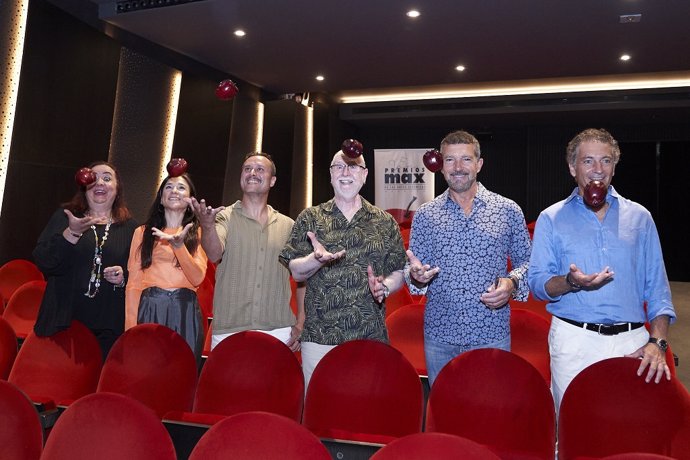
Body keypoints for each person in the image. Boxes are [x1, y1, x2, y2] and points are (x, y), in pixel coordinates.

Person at [528, 128, 676, 410]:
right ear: (573, 168)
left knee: (627, 427)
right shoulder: (551, 218)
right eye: (588, 161)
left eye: (606, 161)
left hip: (631, 341)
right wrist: (572, 282)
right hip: (574, 340)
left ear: (614, 167)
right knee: (573, 425)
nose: (598, 170)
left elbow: (658, 289)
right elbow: (538, 285)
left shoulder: (640, 217)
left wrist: (657, 343)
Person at [405, 130, 531, 387]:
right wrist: (416, 277)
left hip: (491, 333)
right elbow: (414, 273)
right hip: (440, 336)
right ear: (440, 166)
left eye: (466, 159)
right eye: (450, 160)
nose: (458, 167)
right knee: (443, 412)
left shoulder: (507, 210)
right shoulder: (426, 216)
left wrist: (512, 283)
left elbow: (528, 264)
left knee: (490, 412)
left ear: (479, 164)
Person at [279, 149, 407, 388]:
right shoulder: (310, 218)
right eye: (339, 166)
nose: (346, 172)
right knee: (319, 414)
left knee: (365, 413)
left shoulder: (384, 221)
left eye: (354, 166)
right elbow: (295, 270)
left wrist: (385, 287)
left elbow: (399, 271)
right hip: (319, 338)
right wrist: (314, 260)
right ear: (330, 174)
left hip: (369, 336)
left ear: (365, 174)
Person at [188, 152, 303, 353]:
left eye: (260, 169)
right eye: (247, 169)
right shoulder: (224, 217)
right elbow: (214, 254)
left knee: (274, 385)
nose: (252, 173)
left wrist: (301, 324)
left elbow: (303, 278)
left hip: (279, 330)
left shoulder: (288, 225)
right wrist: (207, 226)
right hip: (229, 331)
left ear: (272, 181)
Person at [33, 161, 138, 359]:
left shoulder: (131, 228)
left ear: (117, 189)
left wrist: (124, 277)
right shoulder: (66, 218)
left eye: (107, 178)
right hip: (63, 324)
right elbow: (45, 261)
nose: (100, 183)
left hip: (109, 329)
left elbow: (140, 274)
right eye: (93, 178)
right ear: (84, 186)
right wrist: (72, 233)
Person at [125, 172, 207, 364]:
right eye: (168, 187)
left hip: (184, 309)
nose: (174, 191)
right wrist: (130, 328)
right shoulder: (143, 233)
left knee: (182, 370)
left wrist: (179, 247)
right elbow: (133, 284)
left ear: (190, 200)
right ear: (161, 198)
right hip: (151, 306)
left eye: (181, 187)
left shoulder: (199, 233)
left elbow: (197, 278)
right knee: (148, 369)